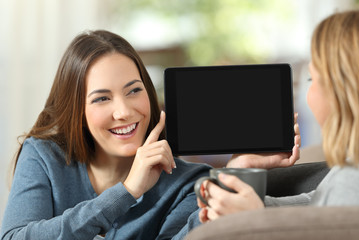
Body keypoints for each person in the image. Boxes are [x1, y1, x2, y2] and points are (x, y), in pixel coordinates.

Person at [0, 30, 214, 240]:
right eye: (101, 98)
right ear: (77, 111)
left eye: (134, 91)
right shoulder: (44, 156)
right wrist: (126, 192)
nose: (124, 112)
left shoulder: (187, 184)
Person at [196, 9, 359, 223]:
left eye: (312, 78)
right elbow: (317, 203)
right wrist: (253, 201)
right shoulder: (348, 168)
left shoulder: (350, 181)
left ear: (341, 88)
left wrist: (257, 222)